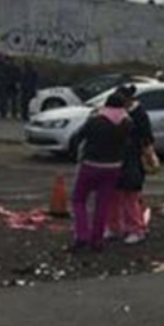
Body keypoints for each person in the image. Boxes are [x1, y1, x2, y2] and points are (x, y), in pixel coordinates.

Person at [71, 93, 131, 252]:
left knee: (79, 199)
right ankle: (97, 240)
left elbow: (78, 136)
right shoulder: (126, 123)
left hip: (91, 164)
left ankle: (82, 235)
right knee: (102, 204)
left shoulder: (95, 121)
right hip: (113, 167)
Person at [106, 85, 154, 244]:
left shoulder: (138, 115)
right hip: (115, 158)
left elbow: (147, 138)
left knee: (130, 196)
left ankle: (136, 228)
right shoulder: (119, 114)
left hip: (132, 158)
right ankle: (114, 227)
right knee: (113, 194)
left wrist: (149, 157)